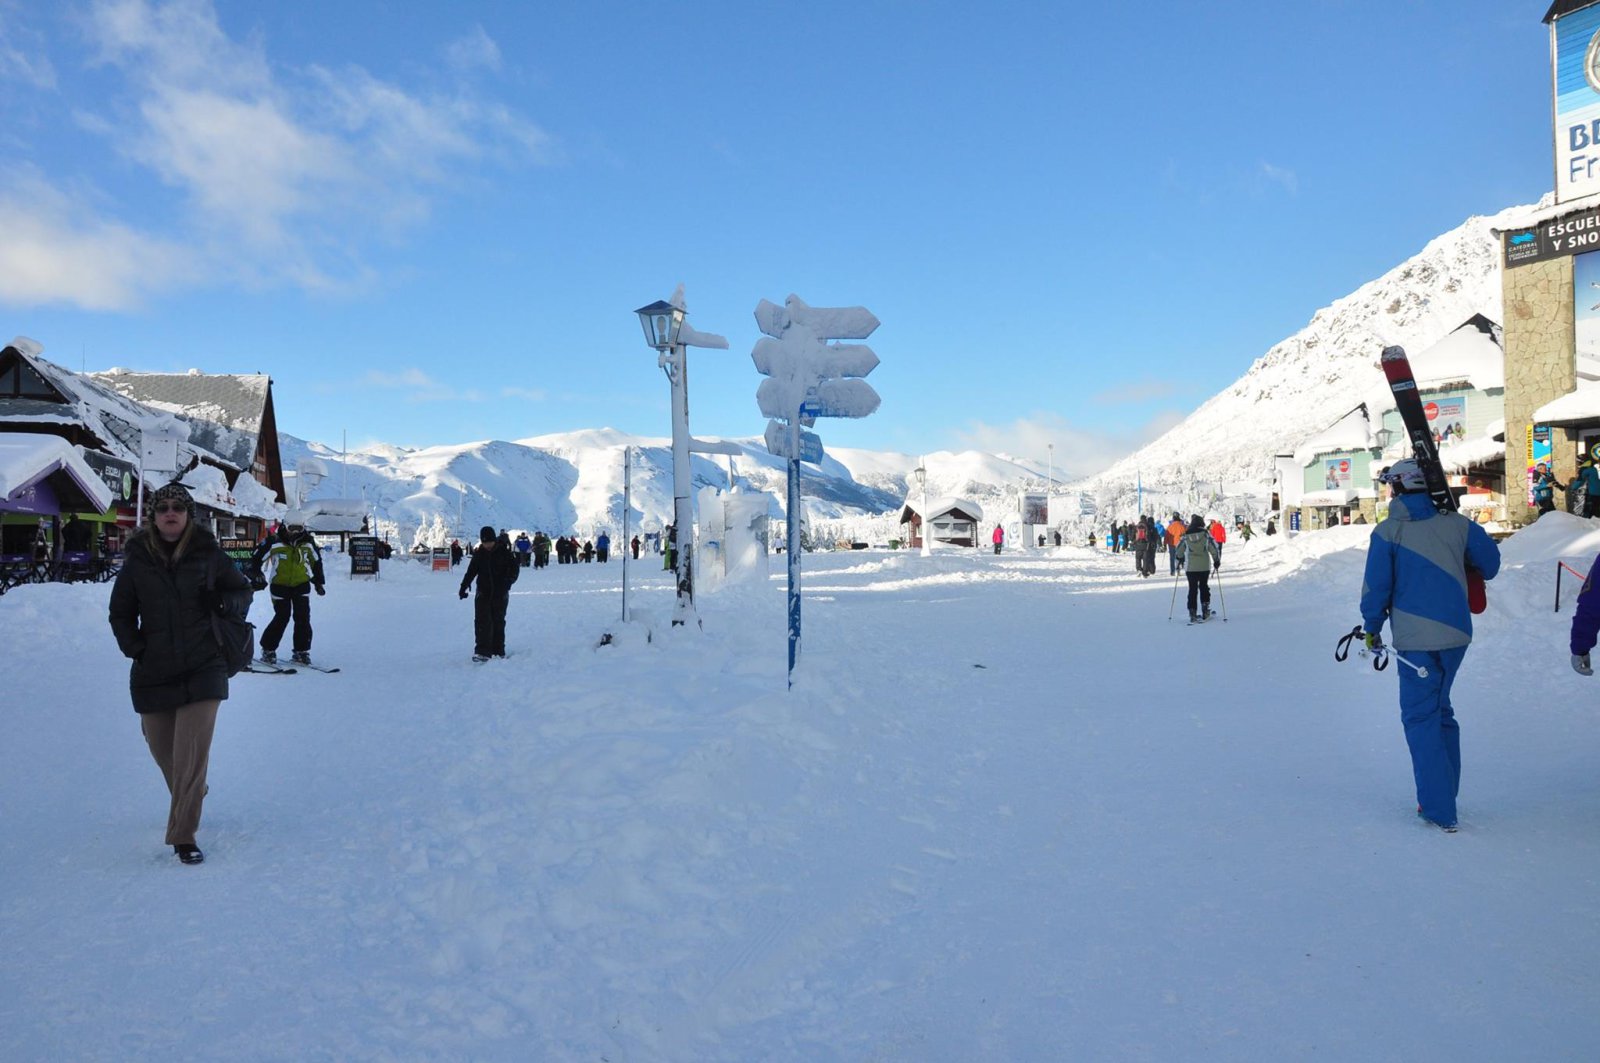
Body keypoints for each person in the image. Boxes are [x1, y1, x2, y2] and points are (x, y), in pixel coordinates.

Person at [107, 482, 252, 866]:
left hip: (205, 666)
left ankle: (183, 836)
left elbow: (243, 592)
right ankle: (193, 792)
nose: (170, 512)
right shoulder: (137, 561)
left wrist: (222, 601)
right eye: (163, 507)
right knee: (164, 752)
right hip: (153, 669)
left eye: (178, 507)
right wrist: (136, 649)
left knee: (190, 753)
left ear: (189, 515)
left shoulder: (209, 555)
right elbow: (120, 613)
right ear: (153, 517)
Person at [1359, 459, 1501, 833]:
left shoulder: (1388, 532)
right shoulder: (1457, 524)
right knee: (1440, 710)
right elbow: (1491, 564)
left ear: (1400, 487)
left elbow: (1377, 588)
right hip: (1456, 635)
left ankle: (1439, 810)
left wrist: (1372, 628)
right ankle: (1444, 794)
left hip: (1415, 642)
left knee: (1421, 718)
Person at [249, 511, 325, 666]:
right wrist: (256, 575)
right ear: (285, 526)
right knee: (282, 616)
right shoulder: (274, 541)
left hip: (301, 583)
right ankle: (268, 649)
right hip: (279, 585)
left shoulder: (308, 542)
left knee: (303, 617)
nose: (295, 532)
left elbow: (316, 561)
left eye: (299, 528)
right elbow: (256, 558)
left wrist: (318, 581)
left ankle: (301, 651)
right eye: (292, 528)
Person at [459, 525, 519, 661]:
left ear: (494, 540)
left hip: (500, 593)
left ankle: (498, 650)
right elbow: (471, 572)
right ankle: (482, 651)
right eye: (485, 542)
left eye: (490, 542)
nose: (487, 545)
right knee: (482, 621)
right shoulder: (479, 554)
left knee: (498, 621)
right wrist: (463, 586)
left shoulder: (504, 552)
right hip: (483, 592)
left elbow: (514, 569)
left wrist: (508, 582)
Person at [1178, 514, 1220, 622]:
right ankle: (1205, 610)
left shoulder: (1186, 535)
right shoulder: (1206, 534)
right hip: (1204, 566)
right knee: (1204, 586)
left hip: (1190, 567)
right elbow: (1213, 548)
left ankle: (1192, 612)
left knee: (1192, 589)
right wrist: (1216, 560)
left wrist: (1179, 558)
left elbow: (1179, 550)